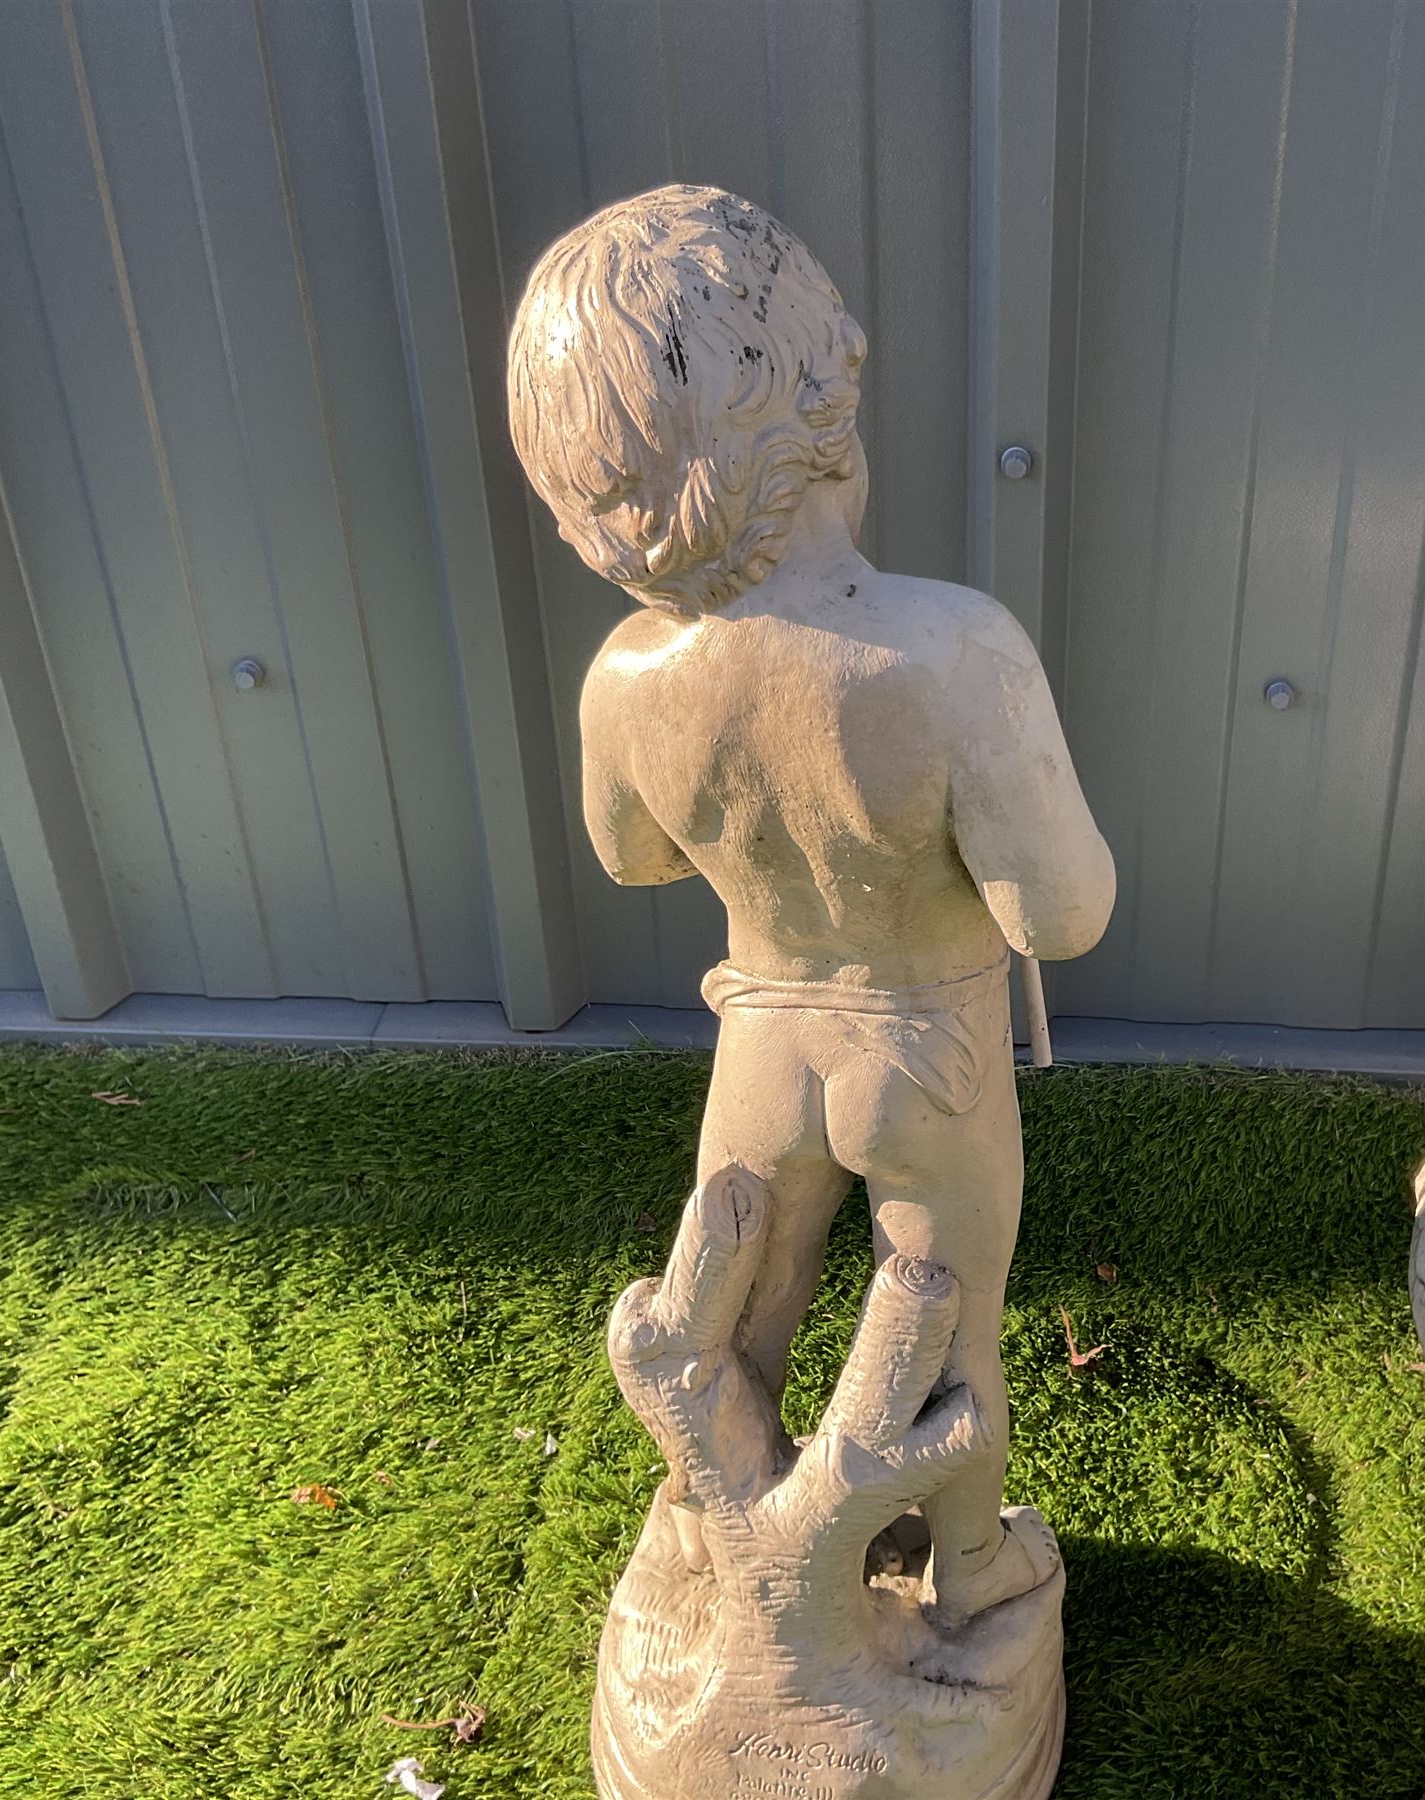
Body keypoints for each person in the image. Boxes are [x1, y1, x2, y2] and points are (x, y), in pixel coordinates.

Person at [508, 185, 1114, 1625]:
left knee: (737, 1310)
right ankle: (969, 1570)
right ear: (819, 390)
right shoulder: (952, 650)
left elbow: (635, 862)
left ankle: (712, 1531)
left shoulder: (624, 681)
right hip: (934, 1047)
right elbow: (1062, 915)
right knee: (954, 1327)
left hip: (762, 1046)